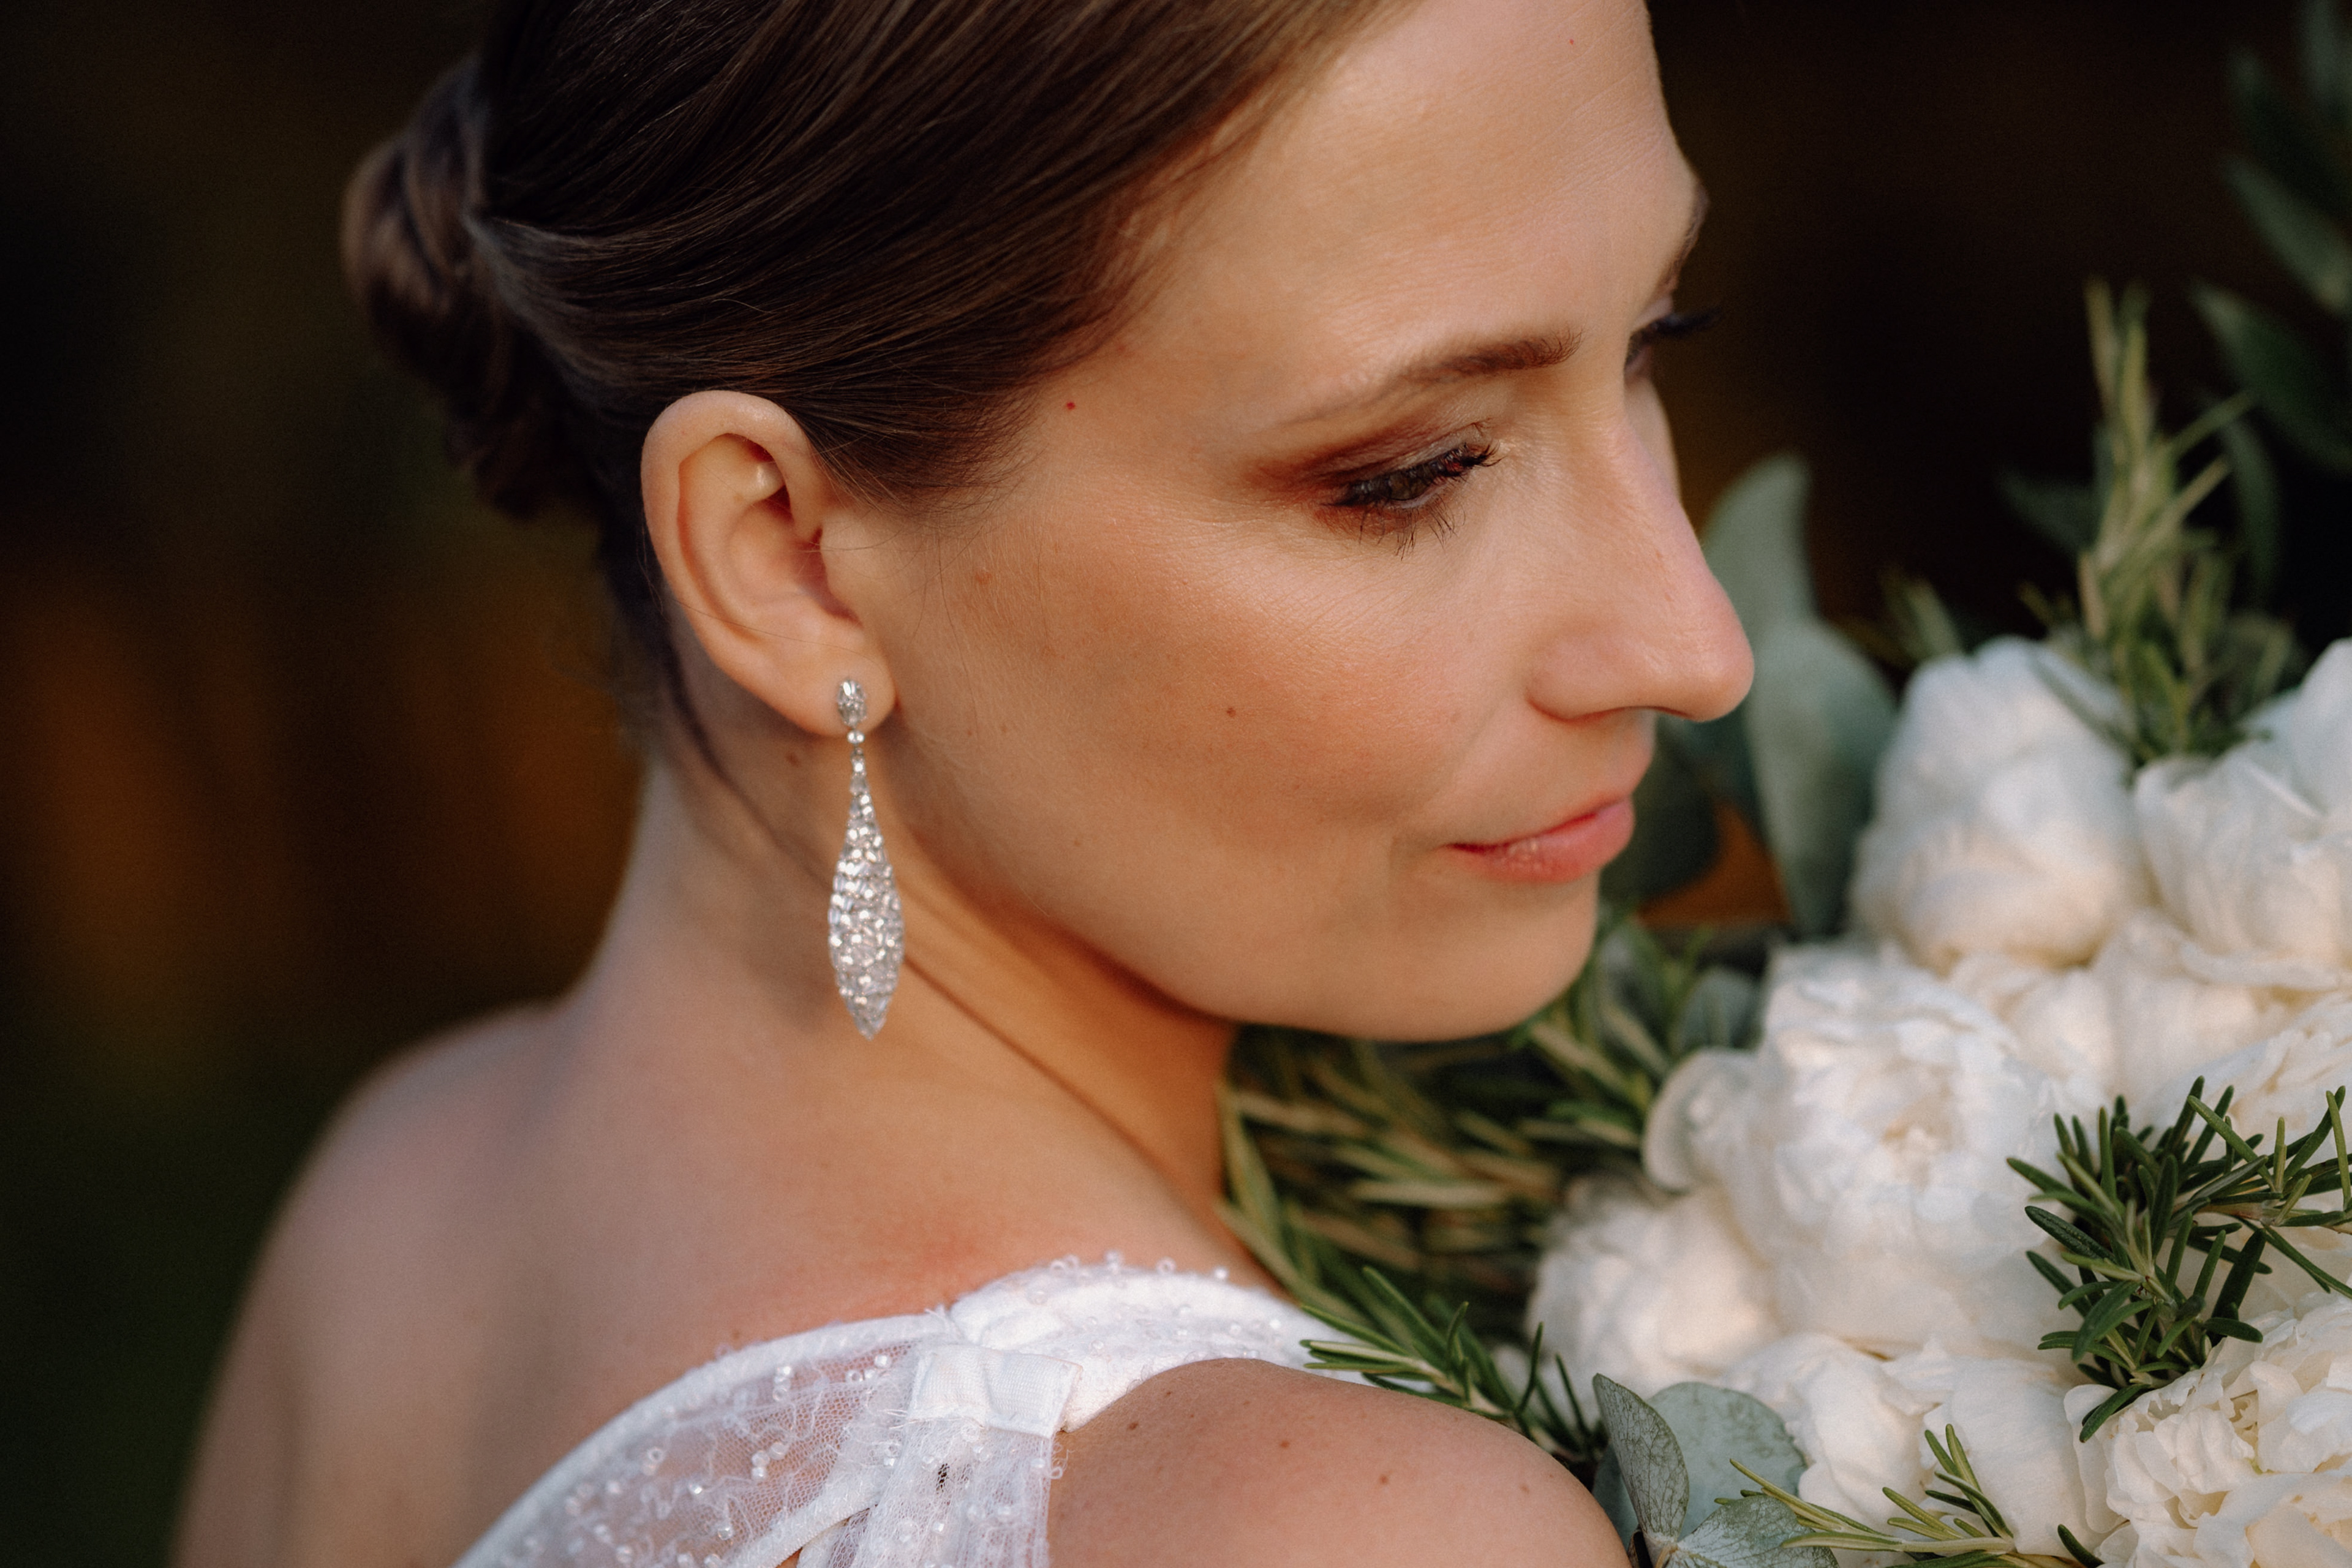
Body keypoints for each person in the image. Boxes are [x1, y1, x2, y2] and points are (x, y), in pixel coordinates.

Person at [173, 0, 1751, 1561]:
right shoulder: (1339, 1531)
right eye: (1408, 476)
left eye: (1650, 345)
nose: (1697, 647)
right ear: (790, 561)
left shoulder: (392, 1215)